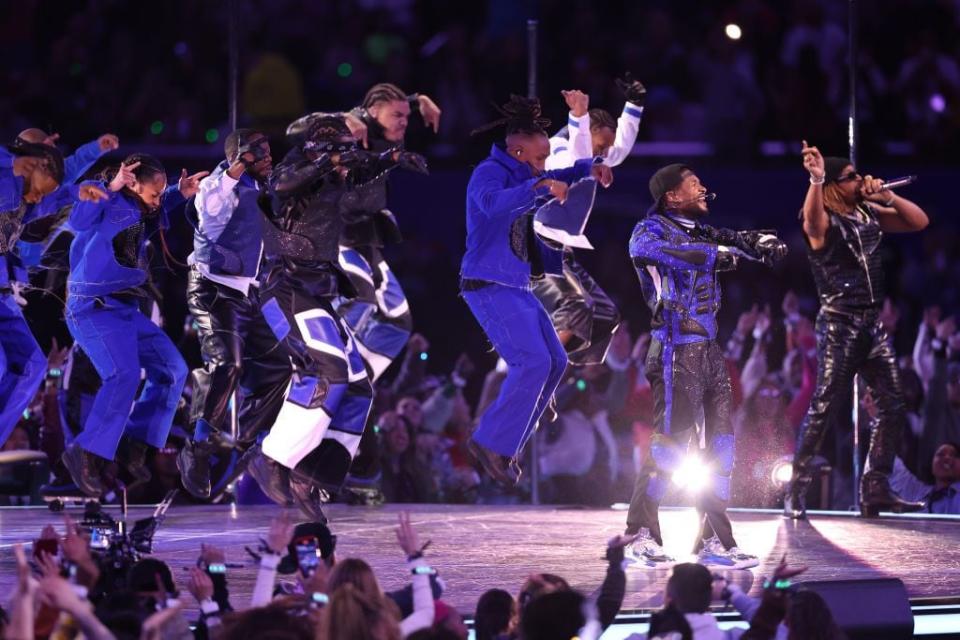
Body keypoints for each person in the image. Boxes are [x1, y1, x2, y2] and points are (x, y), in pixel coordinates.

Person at [248, 114, 425, 519]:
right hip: (287, 288)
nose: (349, 158)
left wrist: (394, 157)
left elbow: (364, 172)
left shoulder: (335, 175)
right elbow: (280, 185)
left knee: (360, 386)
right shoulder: (293, 171)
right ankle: (271, 457)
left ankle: (310, 475)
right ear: (320, 151)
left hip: (318, 292)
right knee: (328, 372)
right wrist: (328, 162)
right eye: (341, 150)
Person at [625, 163, 786, 568]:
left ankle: (714, 540)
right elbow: (646, 252)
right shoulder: (650, 230)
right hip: (675, 350)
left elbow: (738, 240)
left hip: (709, 352)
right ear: (671, 196)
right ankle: (640, 534)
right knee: (670, 447)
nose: (704, 189)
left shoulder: (704, 232)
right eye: (694, 184)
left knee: (722, 446)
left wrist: (762, 243)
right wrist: (718, 256)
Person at [460, 95, 613, 485]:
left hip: (515, 287)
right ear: (517, 150)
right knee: (534, 363)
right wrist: (541, 184)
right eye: (540, 157)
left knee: (557, 363)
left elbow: (561, 171)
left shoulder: (526, 174)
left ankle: (504, 445)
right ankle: (490, 442)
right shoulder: (489, 173)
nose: (544, 164)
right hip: (488, 286)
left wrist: (590, 167)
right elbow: (492, 205)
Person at [784, 142, 929, 518]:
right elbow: (812, 219)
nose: (859, 180)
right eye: (850, 177)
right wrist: (815, 179)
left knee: (893, 406)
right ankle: (796, 490)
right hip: (840, 324)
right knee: (825, 406)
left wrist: (888, 195)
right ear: (833, 185)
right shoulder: (821, 220)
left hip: (871, 324)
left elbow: (918, 222)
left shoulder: (867, 213)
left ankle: (875, 486)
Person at [60, 154, 204, 496]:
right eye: (154, 192)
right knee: (123, 375)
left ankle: (132, 445)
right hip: (93, 307)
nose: (157, 200)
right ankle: (86, 453)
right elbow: (78, 221)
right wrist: (111, 186)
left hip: (124, 310)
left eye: (159, 194)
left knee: (172, 369)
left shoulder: (141, 211)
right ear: (133, 183)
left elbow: (152, 210)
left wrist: (177, 193)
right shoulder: (104, 199)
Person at [177, 128, 291, 499]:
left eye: (268, 151)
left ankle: (244, 440)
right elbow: (209, 203)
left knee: (281, 367)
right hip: (212, 290)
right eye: (261, 153)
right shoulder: (216, 187)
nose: (268, 158)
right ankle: (196, 447)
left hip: (249, 295)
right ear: (240, 157)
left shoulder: (262, 189)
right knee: (228, 366)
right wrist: (238, 165)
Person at [532, 75, 647, 367]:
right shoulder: (556, 147)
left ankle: (567, 371)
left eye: (605, 150)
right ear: (586, 132)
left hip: (561, 250)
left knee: (607, 316)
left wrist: (634, 104)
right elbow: (571, 161)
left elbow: (618, 148)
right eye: (600, 147)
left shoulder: (597, 154)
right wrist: (578, 116)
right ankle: (542, 368)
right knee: (578, 306)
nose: (604, 154)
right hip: (538, 244)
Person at [337, 82, 439, 381]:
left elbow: (397, 106)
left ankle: (356, 380)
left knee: (398, 322)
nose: (404, 122)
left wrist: (419, 97)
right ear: (371, 113)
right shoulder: (350, 133)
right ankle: (322, 364)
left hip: (365, 243)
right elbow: (296, 128)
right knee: (362, 300)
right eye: (397, 116)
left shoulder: (388, 132)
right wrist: (344, 117)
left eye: (406, 116)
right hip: (335, 239)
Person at [0, 141, 90, 448]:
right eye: (40, 188)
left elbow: (52, 198)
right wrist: (10, 163)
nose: (37, 197)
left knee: (32, 365)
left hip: (2, 293)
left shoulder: (26, 198)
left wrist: (80, 191)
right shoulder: (7, 174)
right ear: (31, 164)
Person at [890, 442, 960, 514]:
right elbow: (889, 461)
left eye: (955, 455)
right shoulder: (914, 490)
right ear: (931, 465)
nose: (947, 458)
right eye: (940, 454)